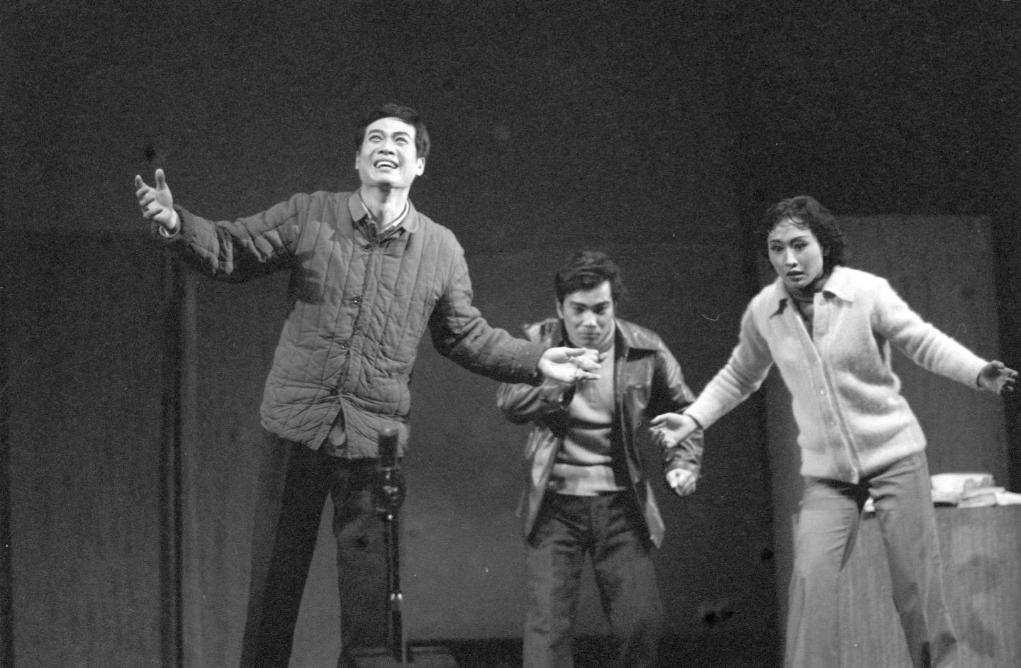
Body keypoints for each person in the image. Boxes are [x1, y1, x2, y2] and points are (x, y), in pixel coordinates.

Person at [133, 103, 601, 667]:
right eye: (375, 139)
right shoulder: (311, 213)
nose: (387, 147)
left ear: (419, 164)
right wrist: (177, 224)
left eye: (401, 141)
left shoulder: (441, 249)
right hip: (295, 430)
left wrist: (538, 359)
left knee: (371, 617)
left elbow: (465, 335)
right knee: (272, 597)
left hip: (373, 447)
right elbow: (234, 248)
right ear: (357, 159)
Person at [650, 195, 1018, 668]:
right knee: (811, 580)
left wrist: (978, 372)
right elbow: (740, 376)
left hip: (894, 456)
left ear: (823, 244)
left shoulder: (865, 292)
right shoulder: (765, 310)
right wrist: (693, 418)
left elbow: (922, 341)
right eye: (777, 248)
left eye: (799, 245)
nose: (789, 259)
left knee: (915, 584)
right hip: (829, 475)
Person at [496, 250, 703, 668]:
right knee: (548, 633)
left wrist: (683, 462)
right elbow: (509, 402)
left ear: (614, 306)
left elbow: (686, 411)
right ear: (560, 308)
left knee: (641, 621)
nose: (590, 322)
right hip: (554, 506)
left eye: (601, 309)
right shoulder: (538, 342)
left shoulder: (645, 349)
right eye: (578, 310)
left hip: (620, 505)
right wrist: (559, 384)